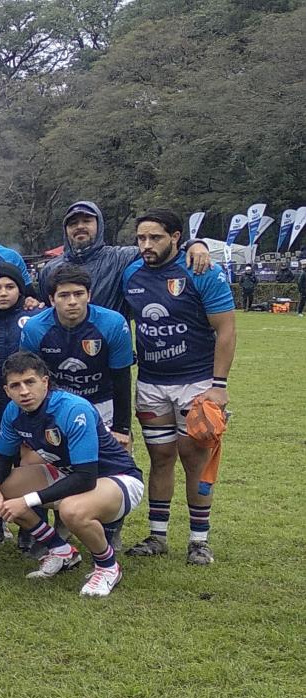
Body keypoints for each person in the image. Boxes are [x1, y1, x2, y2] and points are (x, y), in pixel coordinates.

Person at [122, 209, 236, 565]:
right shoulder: (131, 273)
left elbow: (226, 329)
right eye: (141, 238)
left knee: (194, 458)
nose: (146, 244)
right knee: (160, 458)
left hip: (196, 383)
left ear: (175, 237)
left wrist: (219, 385)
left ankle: (199, 540)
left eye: (155, 237)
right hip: (151, 383)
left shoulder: (201, 270)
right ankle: (157, 536)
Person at [0, 352, 145, 597]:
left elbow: (86, 477)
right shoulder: (13, 412)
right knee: (4, 490)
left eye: (30, 382)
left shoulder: (73, 409)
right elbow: (1, 457)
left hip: (117, 478)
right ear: (7, 391)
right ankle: (61, 551)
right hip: (70, 474)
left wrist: (27, 501)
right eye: (15, 386)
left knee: (72, 510)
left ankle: (108, 567)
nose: (24, 391)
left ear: (45, 382)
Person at [19, 264, 134, 434]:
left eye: (79, 294)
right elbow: (29, 379)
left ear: (89, 295)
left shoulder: (113, 323)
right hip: (56, 403)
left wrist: (122, 428)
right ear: (52, 300)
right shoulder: (35, 328)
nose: (72, 301)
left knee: (113, 450)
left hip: (103, 402)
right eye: (64, 295)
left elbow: (121, 379)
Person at [38, 201, 210, 312]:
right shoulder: (50, 269)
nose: (80, 226)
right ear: (65, 229)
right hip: (64, 350)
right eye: (73, 223)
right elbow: (45, 308)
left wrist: (194, 244)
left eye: (87, 221)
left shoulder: (122, 258)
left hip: (112, 348)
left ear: (99, 225)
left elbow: (162, 248)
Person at [0, 264, 35, 548]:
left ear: (20, 289)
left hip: (26, 404)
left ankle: (30, 526)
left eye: (10, 287)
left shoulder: (32, 317)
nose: (3, 293)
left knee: (26, 465)